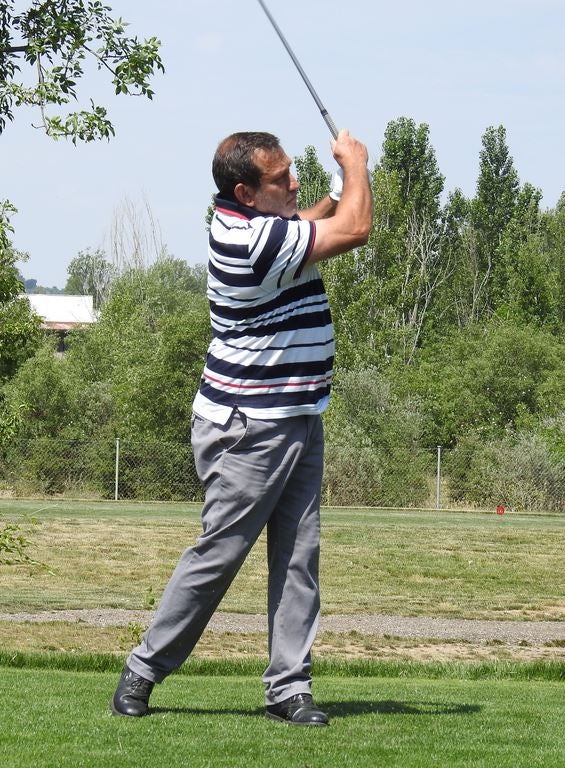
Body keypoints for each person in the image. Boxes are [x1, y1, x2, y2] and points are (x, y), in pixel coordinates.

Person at [111, 128, 372, 726]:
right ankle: (143, 669)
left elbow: (311, 221)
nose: (293, 183)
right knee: (219, 555)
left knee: (298, 558)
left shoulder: (259, 225)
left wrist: (333, 192)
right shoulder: (249, 242)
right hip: (249, 428)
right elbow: (354, 230)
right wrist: (354, 168)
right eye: (282, 180)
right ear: (245, 193)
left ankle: (289, 687)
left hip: (298, 415)